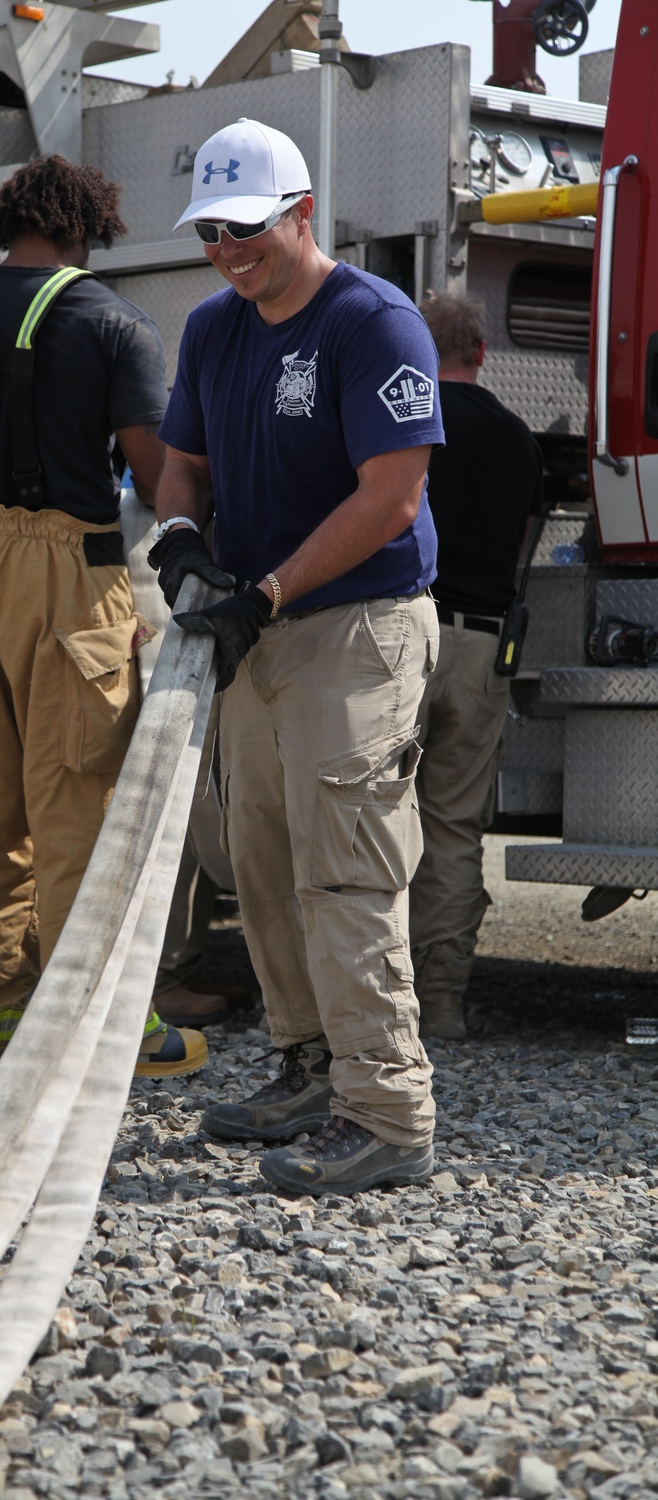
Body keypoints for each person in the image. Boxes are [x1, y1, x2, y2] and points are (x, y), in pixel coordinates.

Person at [148, 117, 444, 1196]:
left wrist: (264, 589)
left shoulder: (374, 323)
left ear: (301, 212)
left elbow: (391, 496)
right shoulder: (214, 330)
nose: (228, 248)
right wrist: (182, 543)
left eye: (247, 228)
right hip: (256, 633)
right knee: (262, 864)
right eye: (211, 231)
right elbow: (181, 464)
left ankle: (386, 1114)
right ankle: (308, 1068)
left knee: (345, 869)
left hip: (353, 630)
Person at [0, 154, 207, 1078]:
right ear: (84, 231)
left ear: (5, 227)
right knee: (82, 810)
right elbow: (161, 483)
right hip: (69, 572)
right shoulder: (112, 324)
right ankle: (103, 1033)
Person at [409, 293, 543, 1041]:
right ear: (481, 354)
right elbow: (523, 540)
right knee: (454, 828)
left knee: (368, 821)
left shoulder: (406, 419)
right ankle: (444, 1001)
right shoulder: (519, 439)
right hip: (485, 647)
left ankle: (365, 999)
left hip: (407, 637)